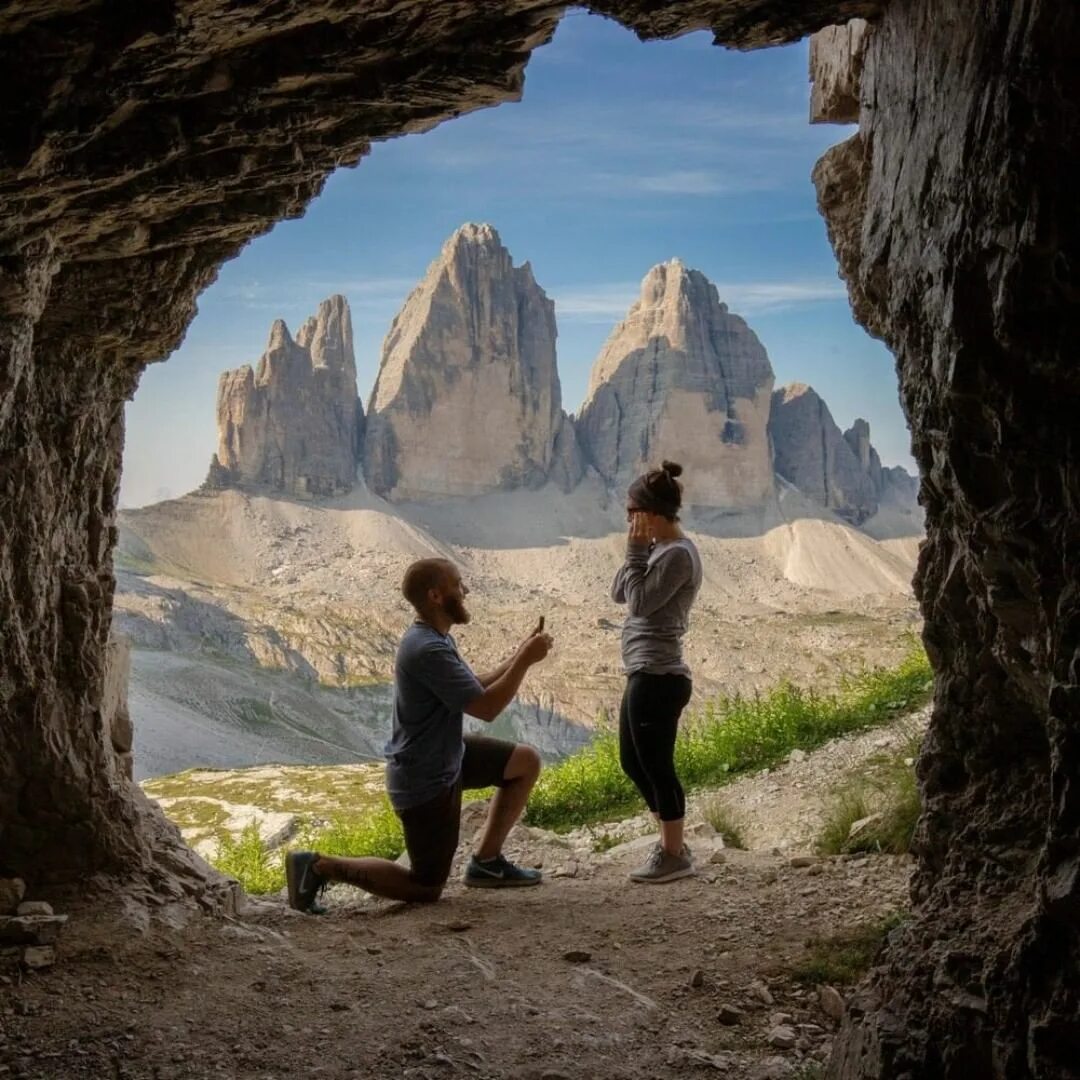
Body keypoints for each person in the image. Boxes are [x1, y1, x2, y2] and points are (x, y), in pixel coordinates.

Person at [285, 557, 553, 912]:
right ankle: (319, 866)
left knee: (524, 761)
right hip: (425, 778)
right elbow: (486, 708)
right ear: (437, 595)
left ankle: (487, 863)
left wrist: (519, 653)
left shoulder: (433, 638)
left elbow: (472, 687)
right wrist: (526, 661)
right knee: (426, 886)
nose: (466, 590)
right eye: (459, 585)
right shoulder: (428, 649)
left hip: (445, 757)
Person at [611, 460, 703, 883]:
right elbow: (618, 591)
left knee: (657, 764)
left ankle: (673, 853)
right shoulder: (658, 550)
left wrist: (635, 553)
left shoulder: (680, 555)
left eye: (631, 512)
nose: (627, 519)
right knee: (633, 761)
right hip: (643, 671)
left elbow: (640, 604)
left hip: (659, 674)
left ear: (649, 512)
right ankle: (670, 844)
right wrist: (639, 550)